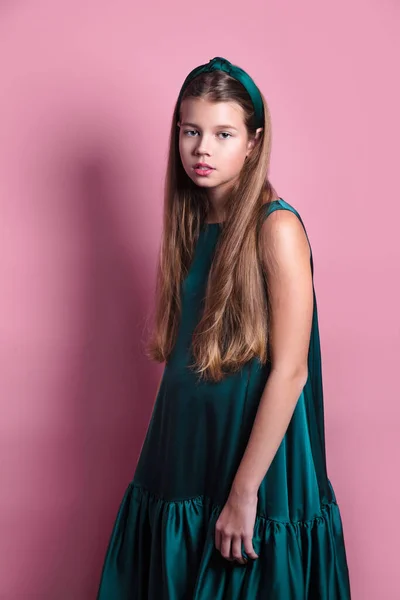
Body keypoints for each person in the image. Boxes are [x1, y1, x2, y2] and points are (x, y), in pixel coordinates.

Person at [96, 56, 351, 599]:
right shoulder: (193, 225)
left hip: (252, 460)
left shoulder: (276, 228)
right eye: (191, 131)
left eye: (223, 133)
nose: (202, 148)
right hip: (183, 451)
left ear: (253, 142)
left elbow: (290, 371)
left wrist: (244, 492)